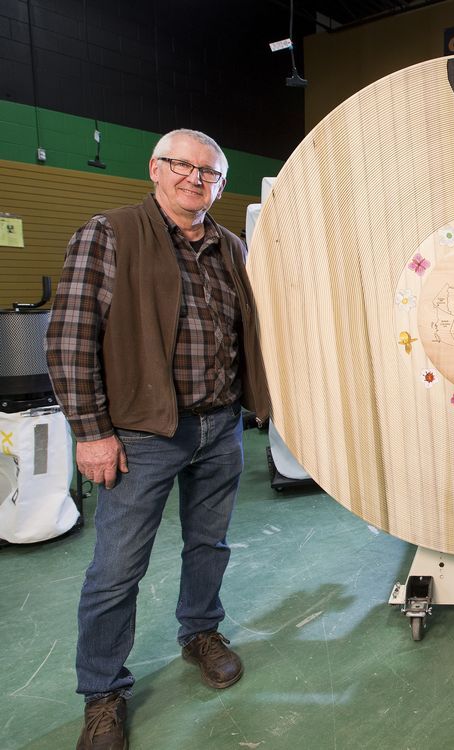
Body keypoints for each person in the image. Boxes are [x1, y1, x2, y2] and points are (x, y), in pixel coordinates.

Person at [46, 128, 269, 750]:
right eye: (183, 166)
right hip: (143, 433)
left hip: (219, 425)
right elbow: (68, 338)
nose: (195, 179)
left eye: (210, 173)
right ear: (155, 168)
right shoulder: (110, 233)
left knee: (209, 544)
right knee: (116, 569)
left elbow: (252, 331)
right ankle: (103, 692)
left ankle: (200, 632)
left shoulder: (231, 246)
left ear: (221, 186)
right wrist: (91, 433)